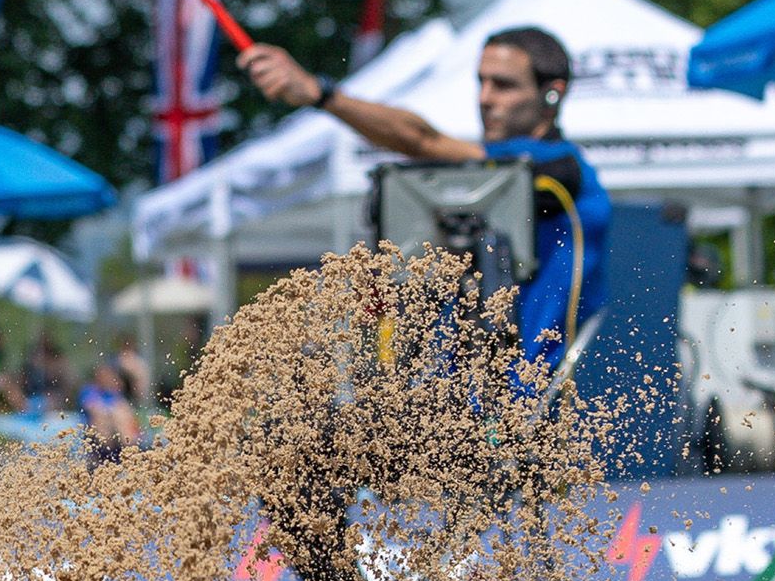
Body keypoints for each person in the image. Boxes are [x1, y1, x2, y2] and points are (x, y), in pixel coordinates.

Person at [239, 25, 611, 376]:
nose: (485, 99)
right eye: (481, 82)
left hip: (535, 400)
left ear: (553, 93)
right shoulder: (481, 176)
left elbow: (422, 141)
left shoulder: (562, 170)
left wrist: (320, 94)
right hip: (456, 401)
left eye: (504, 86)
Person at [77, 360, 140, 465]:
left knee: (121, 414)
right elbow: (93, 408)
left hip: (116, 433)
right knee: (104, 417)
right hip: (98, 432)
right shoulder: (89, 391)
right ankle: (115, 450)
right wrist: (111, 413)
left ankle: (128, 449)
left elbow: (125, 410)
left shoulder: (113, 394)